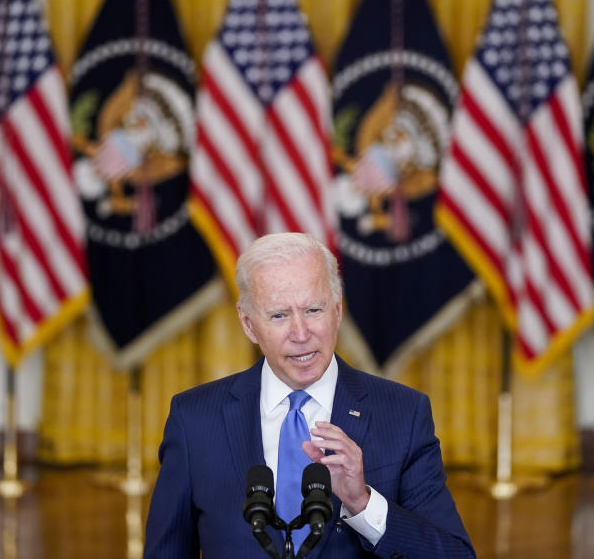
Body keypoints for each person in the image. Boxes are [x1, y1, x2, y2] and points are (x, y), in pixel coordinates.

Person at [143, 233, 475, 558]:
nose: (301, 334)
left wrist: (362, 504)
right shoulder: (195, 419)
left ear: (338, 310)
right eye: (279, 315)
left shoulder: (404, 415)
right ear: (248, 324)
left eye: (314, 310)